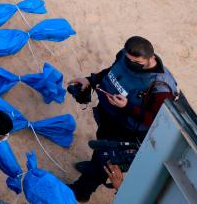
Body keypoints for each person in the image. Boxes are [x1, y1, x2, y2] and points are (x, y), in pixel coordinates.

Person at [69, 36, 179, 200]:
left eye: (136, 62)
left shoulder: (161, 87)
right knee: (100, 153)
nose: (131, 64)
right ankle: (95, 167)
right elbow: (112, 73)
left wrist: (127, 106)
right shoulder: (124, 56)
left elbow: (154, 120)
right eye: (128, 59)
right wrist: (90, 80)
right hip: (109, 118)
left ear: (151, 58)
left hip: (126, 131)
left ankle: (81, 192)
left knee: (106, 160)